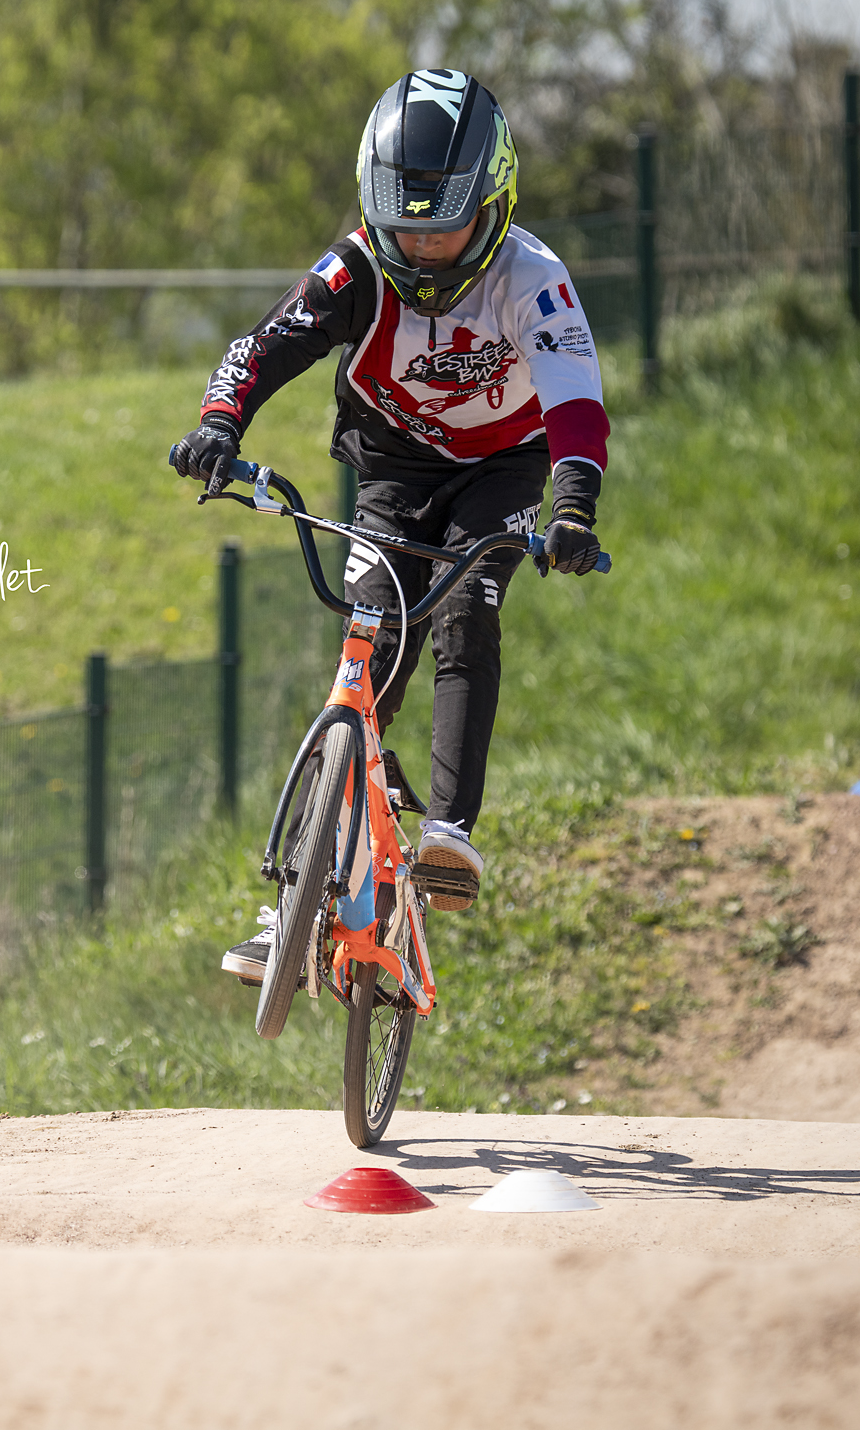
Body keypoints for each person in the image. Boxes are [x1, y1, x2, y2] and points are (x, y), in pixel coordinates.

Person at [169, 67, 611, 987]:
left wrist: (571, 509)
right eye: (402, 223)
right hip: (394, 470)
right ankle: (295, 897)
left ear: (494, 201)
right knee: (370, 639)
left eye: (443, 222)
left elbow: (576, 405)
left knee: (466, 609)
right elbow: (265, 344)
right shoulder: (359, 266)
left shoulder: (537, 281)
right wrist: (219, 425)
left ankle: (447, 834)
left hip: (502, 470)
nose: (422, 245)